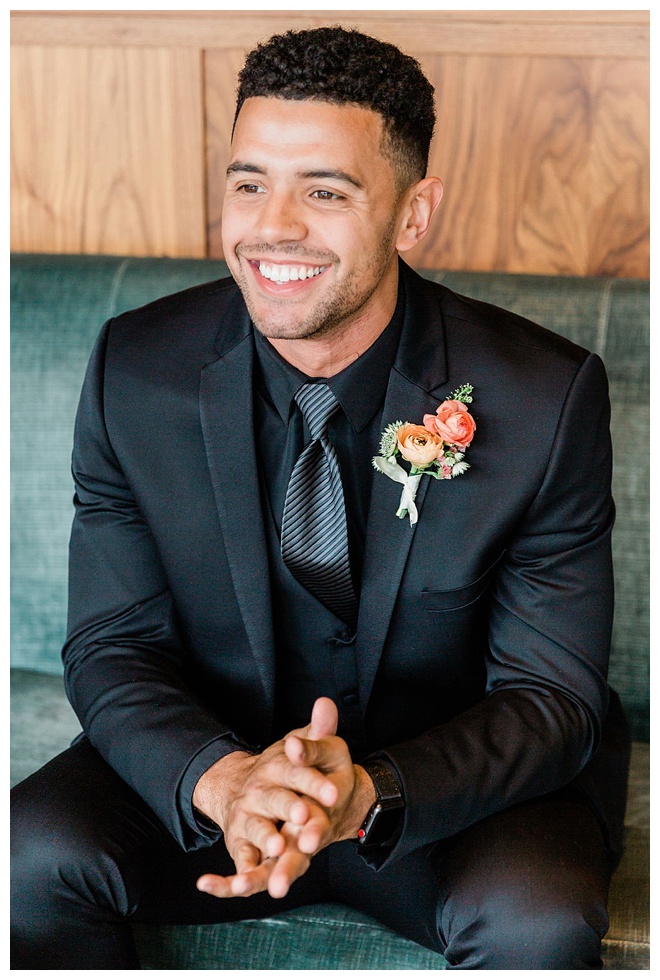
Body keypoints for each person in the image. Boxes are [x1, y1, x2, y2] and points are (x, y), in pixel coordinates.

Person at [11, 26, 630, 969]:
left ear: (413, 215)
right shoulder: (133, 371)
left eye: (326, 192)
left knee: (535, 920)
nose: (274, 227)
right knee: (24, 857)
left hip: (449, 802)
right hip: (221, 781)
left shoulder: (546, 397)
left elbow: (551, 696)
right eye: (248, 183)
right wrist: (224, 782)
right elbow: (110, 645)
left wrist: (368, 792)